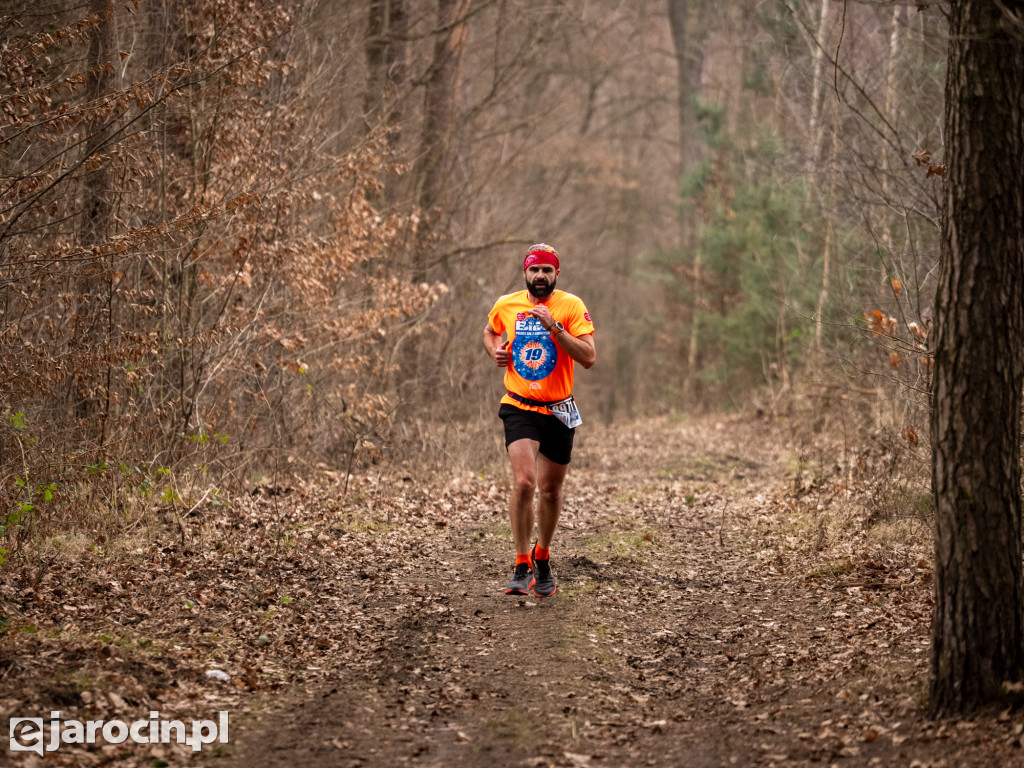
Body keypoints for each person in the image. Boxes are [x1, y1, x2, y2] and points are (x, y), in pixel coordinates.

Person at [483, 243, 596, 597]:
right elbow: (489, 331)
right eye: (535, 270)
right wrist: (495, 350)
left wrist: (556, 328)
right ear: (525, 273)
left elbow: (589, 357)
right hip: (519, 404)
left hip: (559, 408)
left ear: (556, 274)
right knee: (525, 483)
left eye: (547, 270)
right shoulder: (507, 304)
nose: (541, 276)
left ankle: (542, 556)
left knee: (550, 491)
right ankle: (520, 563)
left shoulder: (571, 306)